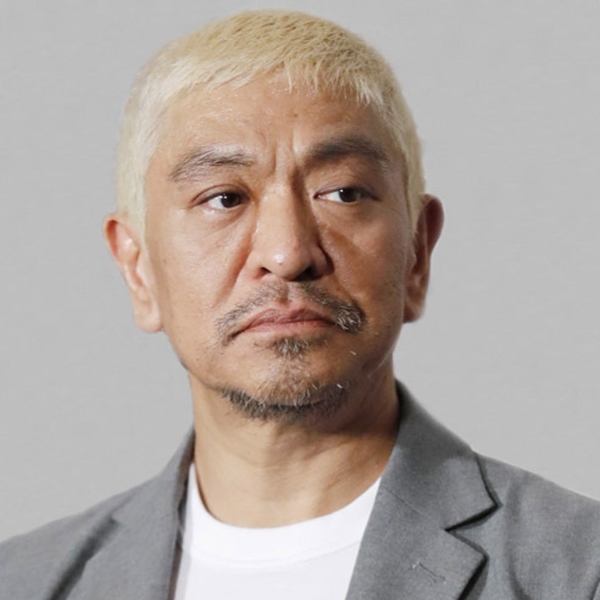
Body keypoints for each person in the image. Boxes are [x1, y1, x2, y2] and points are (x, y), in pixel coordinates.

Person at [1, 9, 599, 600]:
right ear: (138, 270)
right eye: (224, 198)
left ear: (417, 252)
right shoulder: (24, 582)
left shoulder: (576, 571)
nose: (287, 254)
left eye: (343, 192)